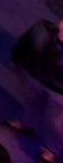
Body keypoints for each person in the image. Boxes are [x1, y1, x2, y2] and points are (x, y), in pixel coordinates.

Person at [9, 16, 63, 163]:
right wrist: (17, 63)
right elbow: (24, 45)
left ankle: (52, 150)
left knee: (56, 123)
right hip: (35, 77)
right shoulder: (41, 30)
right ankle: (28, 124)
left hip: (59, 91)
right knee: (31, 102)